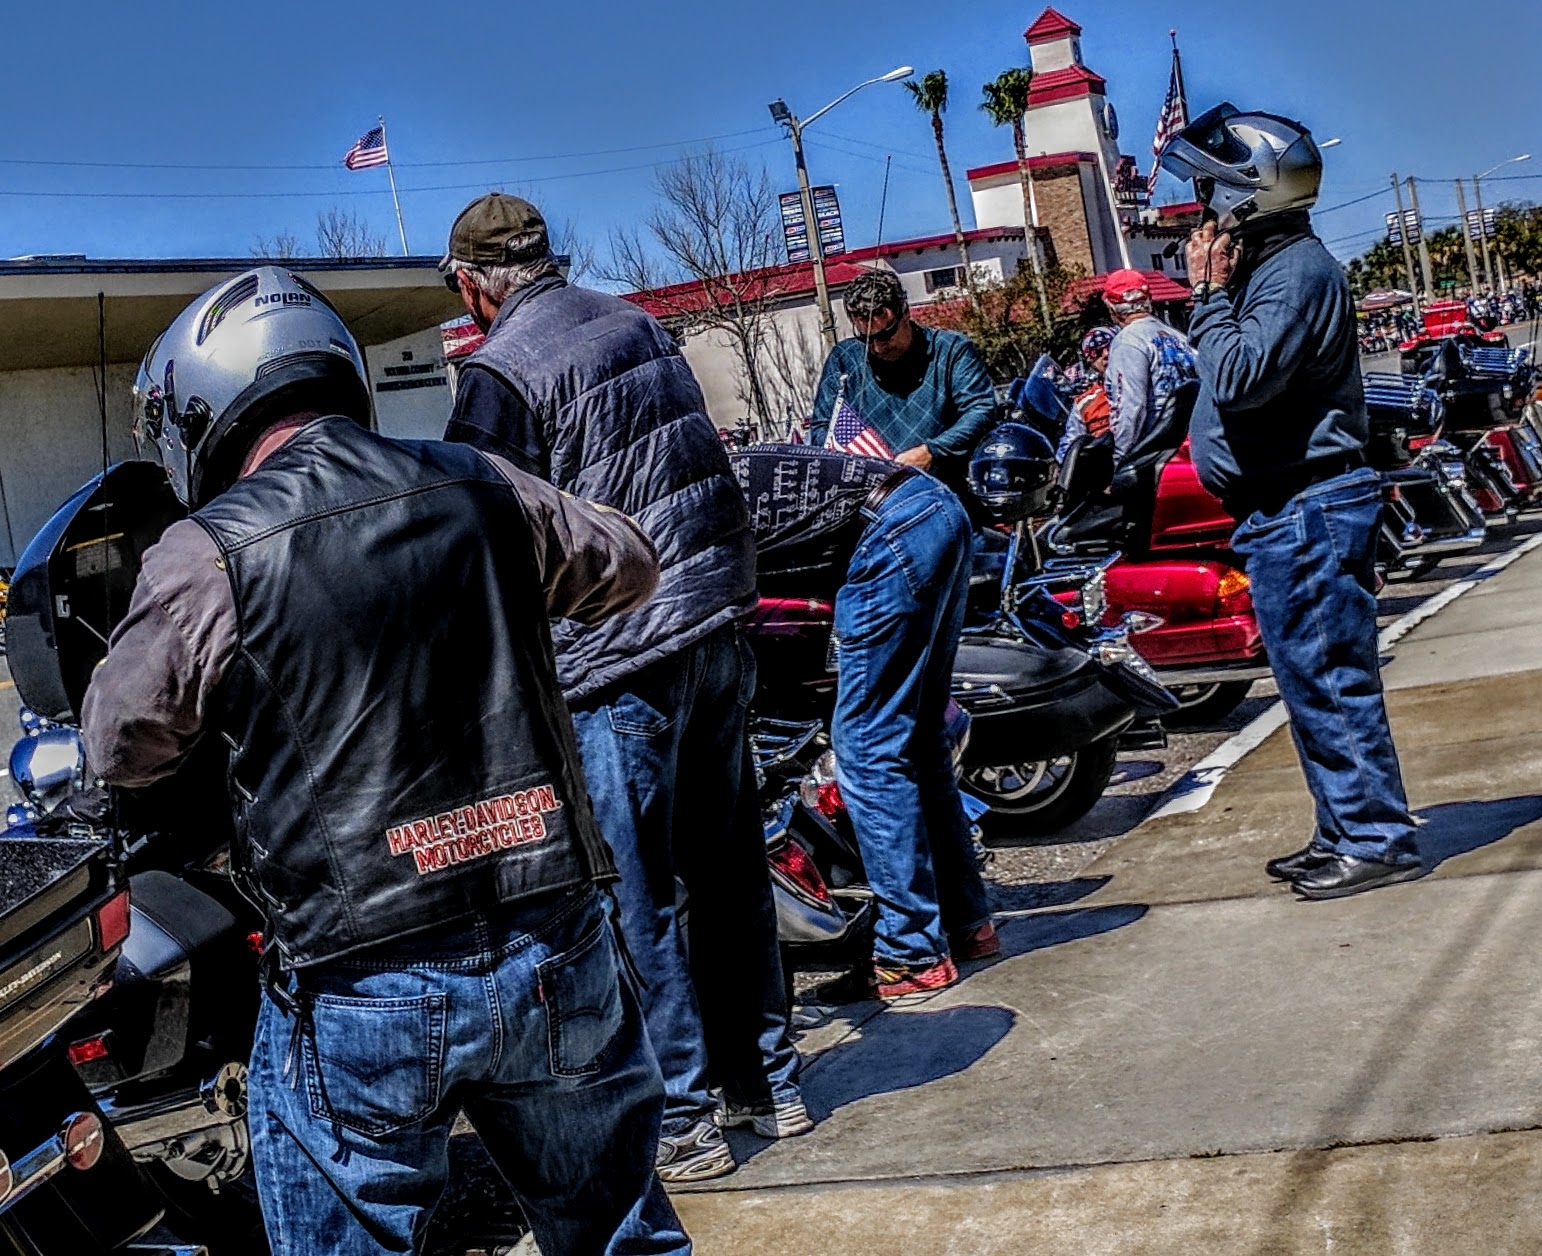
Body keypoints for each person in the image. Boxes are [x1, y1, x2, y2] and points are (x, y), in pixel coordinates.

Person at [79, 267, 690, 1254]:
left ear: (205, 411)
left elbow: (119, 742)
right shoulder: (481, 481)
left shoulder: (209, 553)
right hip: (553, 934)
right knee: (623, 1239)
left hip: (363, 971)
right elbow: (627, 562)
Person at [440, 193, 806, 1183]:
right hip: (718, 621)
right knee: (730, 868)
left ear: (475, 285)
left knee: (637, 892)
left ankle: (682, 1117)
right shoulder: (636, 318)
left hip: (619, 653)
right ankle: (768, 1083)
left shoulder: (498, 372)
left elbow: (483, 532)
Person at [1163, 103, 1422, 900]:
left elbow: (1241, 378)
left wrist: (1206, 296)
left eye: (1211, 194)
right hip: (1283, 511)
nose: (1202, 213)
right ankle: (1342, 827)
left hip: (1307, 506)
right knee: (1307, 681)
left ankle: (1374, 837)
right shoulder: (1272, 269)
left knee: (1331, 678)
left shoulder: (1295, 272)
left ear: (1251, 193)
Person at [731, 444, 999, 1001]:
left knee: (868, 748)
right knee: (920, 736)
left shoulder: (670, 507)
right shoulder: (698, 472)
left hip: (889, 529)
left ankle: (910, 952)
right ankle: (965, 923)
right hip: (933, 508)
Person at [809, 269, 996, 490]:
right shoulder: (844, 359)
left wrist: (931, 451)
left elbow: (980, 410)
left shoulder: (952, 350)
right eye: (866, 338)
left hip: (944, 492)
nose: (877, 347)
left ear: (905, 312)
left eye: (885, 335)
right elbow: (823, 428)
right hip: (873, 502)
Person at [1100, 270, 1198, 462]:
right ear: (1149, 300)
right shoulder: (1179, 338)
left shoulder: (1127, 342)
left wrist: (1120, 459)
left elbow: (1130, 407)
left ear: (1111, 308)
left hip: (1157, 452)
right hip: (1192, 445)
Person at [1055, 326, 1117, 459]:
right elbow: (1069, 446)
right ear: (1090, 360)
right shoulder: (1084, 403)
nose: (1106, 354)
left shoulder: (1138, 384)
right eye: (1097, 352)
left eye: (1111, 347)